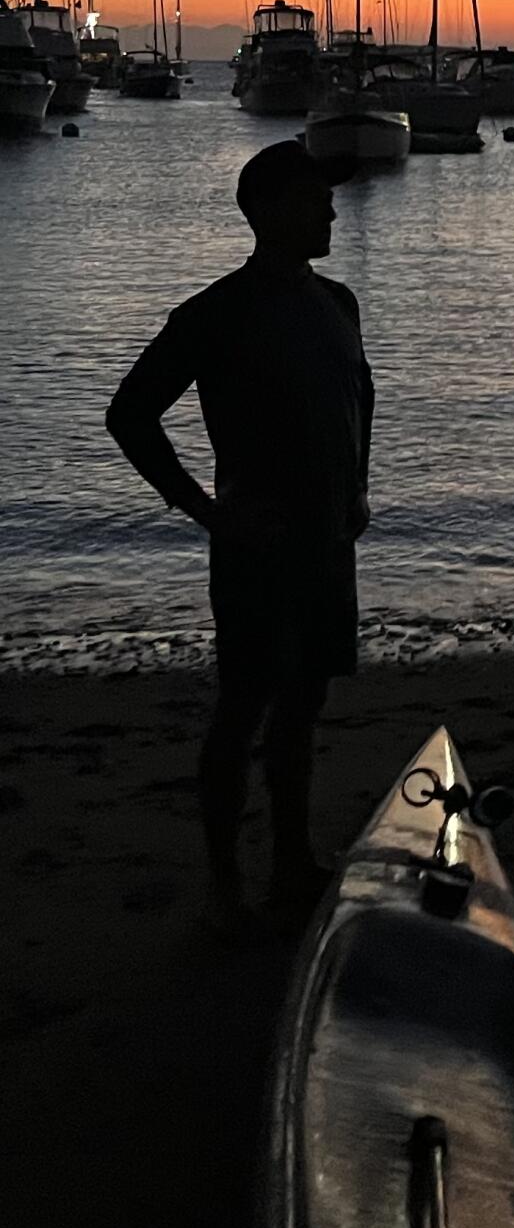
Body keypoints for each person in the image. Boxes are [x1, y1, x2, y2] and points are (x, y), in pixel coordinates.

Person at [107, 140, 373, 934]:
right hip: (256, 546)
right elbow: (131, 414)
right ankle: (227, 878)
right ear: (267, 210)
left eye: (328, 195)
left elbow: (357, 394)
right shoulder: (216, 312)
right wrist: (204, 509)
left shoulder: (339, 302)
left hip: (328, 541)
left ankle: (292, 858)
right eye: (312, 196)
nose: (330, 209)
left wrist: (358, 484)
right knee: (246, 701)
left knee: (306, 700)